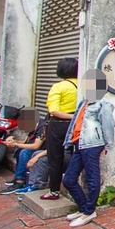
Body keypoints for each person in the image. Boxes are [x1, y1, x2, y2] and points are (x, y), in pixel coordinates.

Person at [62, 68, 115, 227]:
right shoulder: (83, 102)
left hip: (93, 145)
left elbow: (109, 125)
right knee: (69, 179)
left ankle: (89, 211)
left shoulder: (102, 104)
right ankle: (84, 207)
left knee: (92, 178)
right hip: (79, 143)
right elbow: (75, 124)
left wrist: (108, 144)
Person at [41, 57, 79, 201]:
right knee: (77, 154)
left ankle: (54, 191)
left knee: (55, 158)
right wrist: (76, 118)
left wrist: (70, 117)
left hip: (58, 125)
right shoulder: (82, 86)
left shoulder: (58, 86)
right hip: (76, 125)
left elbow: (54, 111)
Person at [0, 116, 46, 194]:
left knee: (25, 152)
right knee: (19, 149)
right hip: (35, 149)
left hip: (42, 150)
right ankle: (18, 176)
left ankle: (20, 181)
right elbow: (26, 142)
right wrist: (13, 142)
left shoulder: (42, 127)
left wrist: (16, 144)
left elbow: (35, 146)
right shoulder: (33, 127)